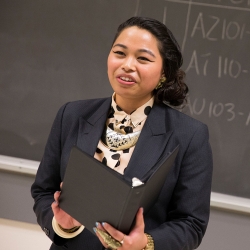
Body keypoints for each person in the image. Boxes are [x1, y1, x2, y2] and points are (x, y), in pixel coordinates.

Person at [31, 16, 213, 250]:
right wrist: (62, 225)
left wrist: (145, 244)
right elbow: (44, 190)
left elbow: (191, 223)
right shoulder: (72, 114)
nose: (127, 65)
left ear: (164, 73)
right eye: (120, 53)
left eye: (143, 58)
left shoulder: (190, 135)